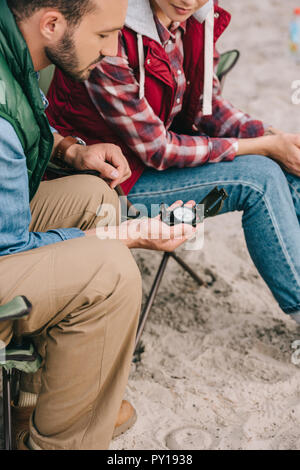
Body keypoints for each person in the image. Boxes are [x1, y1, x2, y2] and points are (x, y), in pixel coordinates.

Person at [0, 0, 198, 450]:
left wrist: (72, 151)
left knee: (94, 196)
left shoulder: (13, 42)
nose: (112, 52)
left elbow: (24, 115)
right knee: (109, 272)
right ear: (51, 24)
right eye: (104, 35)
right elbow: (11, 254)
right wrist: (124, 236)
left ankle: (37, 401)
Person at [46, 0, 300, 324]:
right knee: (259, 177)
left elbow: (209, 107)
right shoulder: (108, 29)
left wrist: (273, 137)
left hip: (149, 166)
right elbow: (159, 150)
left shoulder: (196, 17)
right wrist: (263, 146)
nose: (188, 0)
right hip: (104, 184)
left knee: (291, 164)